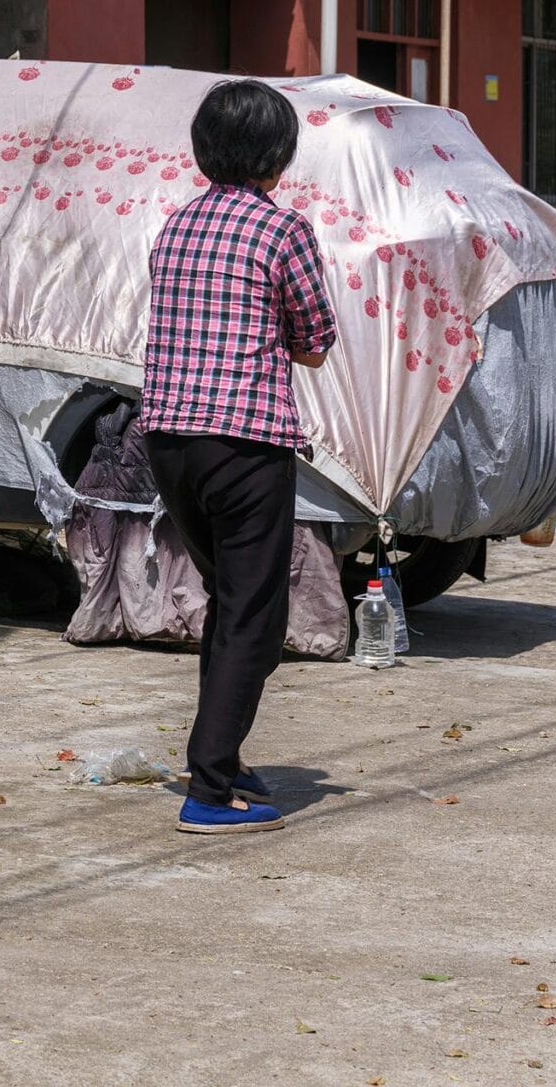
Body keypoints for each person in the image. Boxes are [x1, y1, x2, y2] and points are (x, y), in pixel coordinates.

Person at [140, 78, 336, 835]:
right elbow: (315, 347)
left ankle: (220, 758)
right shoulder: (281, 231)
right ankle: (211, 784)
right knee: (255, 614)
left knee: (233, 605)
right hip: (247, 444)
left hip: (168, 444)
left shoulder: (175, 227)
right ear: (278, 157)